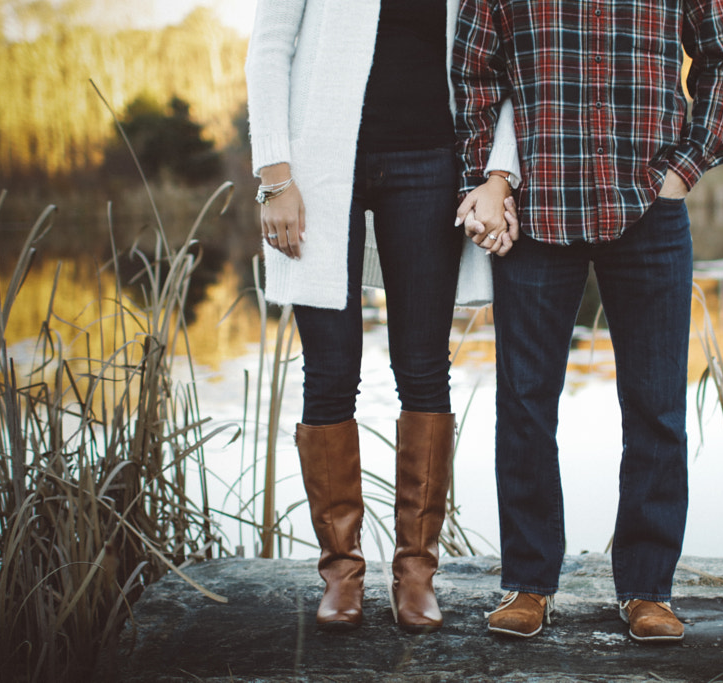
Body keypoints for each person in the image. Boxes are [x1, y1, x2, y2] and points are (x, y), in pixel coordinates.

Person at [453, 0, 723, 642]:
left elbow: (722, 58)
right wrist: (490, 179)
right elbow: (474, 72)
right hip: (538, 212)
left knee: (657, 404)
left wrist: (685, 167)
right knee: (525, 402)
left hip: (648, 209)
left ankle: (647, 592)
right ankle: (528, 584)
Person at [245, 0, 520, 634]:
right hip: (317, 168)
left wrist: (496, 171)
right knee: (330, 370)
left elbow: (503, 66)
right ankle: (341, 571)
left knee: (424, 369)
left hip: (430, 163)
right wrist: (275, 177)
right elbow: (268, 50)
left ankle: (416, 572)